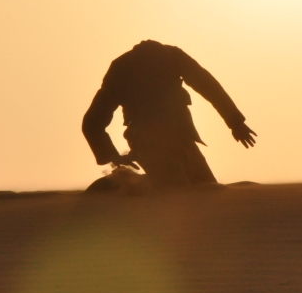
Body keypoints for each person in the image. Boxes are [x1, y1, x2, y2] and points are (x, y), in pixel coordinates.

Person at [82, 40, 256, 190]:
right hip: (150, 142)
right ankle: (120, 185)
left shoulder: (131, 65)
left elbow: (208, 85)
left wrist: (236, 122)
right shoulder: (163, 59)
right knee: (179, 191)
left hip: (178, 139)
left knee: (205, 188)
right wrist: (236, 123)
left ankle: (125, 184)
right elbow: (209, 86)